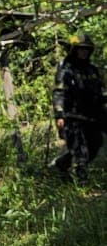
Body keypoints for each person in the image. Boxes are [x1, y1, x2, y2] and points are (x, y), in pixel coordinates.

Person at [51, 33, 106, 183]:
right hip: (72, 116)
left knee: (95, 144)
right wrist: (59, 114)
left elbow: (100, 92)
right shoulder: (66, 69)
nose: (84, 52)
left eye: (86, 49)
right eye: (80, 49)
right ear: (74, 50)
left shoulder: (92, 70)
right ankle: (82, 181)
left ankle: (61, 163)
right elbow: (59, 91)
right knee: (79, 148)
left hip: (93, 116)